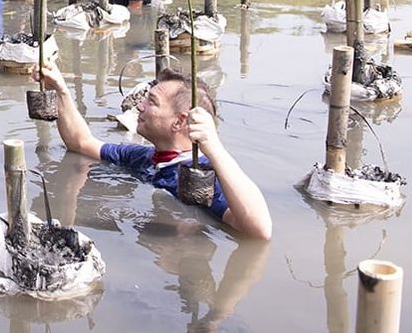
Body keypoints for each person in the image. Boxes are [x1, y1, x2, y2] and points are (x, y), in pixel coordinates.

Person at [37, 61, 272, 239]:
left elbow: (259, 231)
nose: (139, 106)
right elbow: (81, 143)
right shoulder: (146, 157)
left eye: (151, 102)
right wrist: (60, 90)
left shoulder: (201, 178)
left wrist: (215, 148)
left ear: (179, 122)